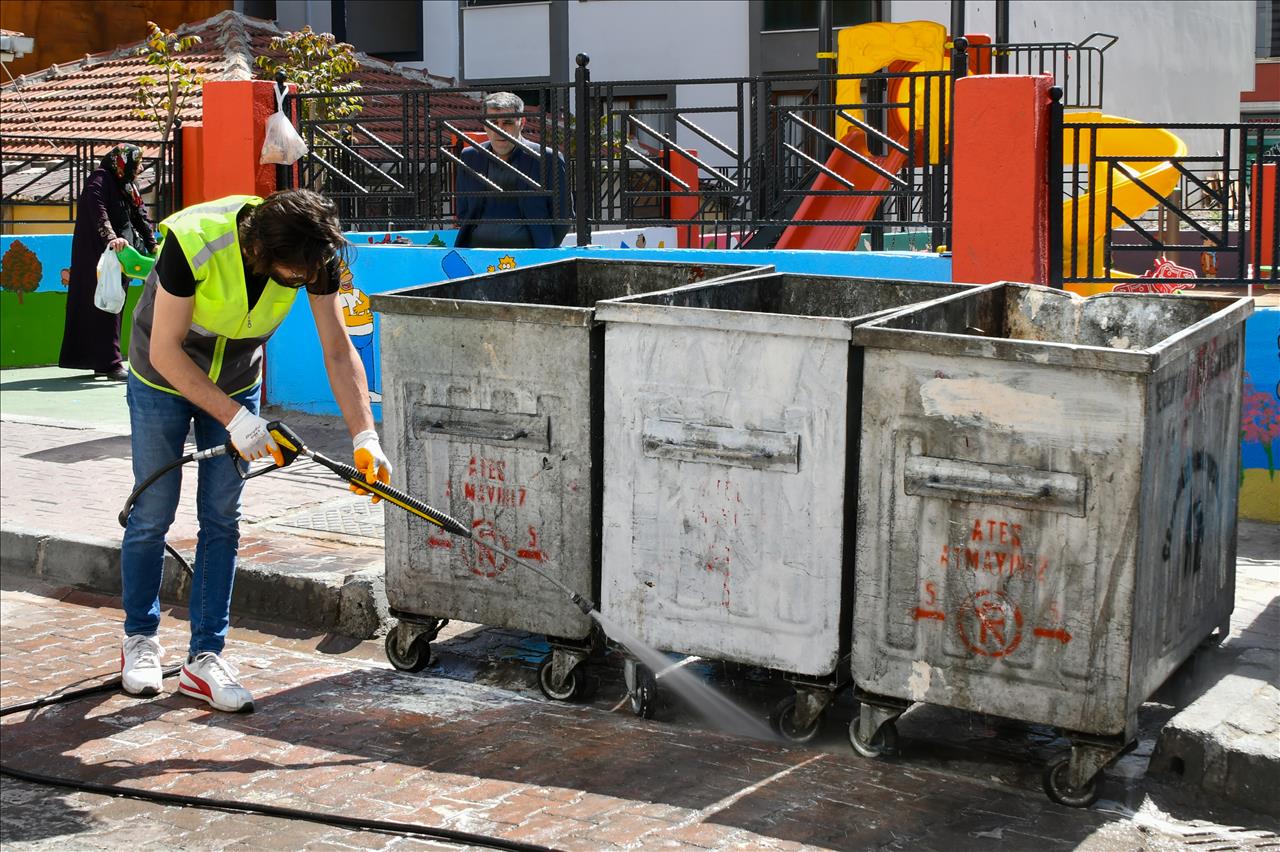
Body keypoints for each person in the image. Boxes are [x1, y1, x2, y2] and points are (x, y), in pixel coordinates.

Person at [119, 189, 392, 713]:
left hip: (238, 377)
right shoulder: (193, 241)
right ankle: (140, 638)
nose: (301, 281)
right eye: (293, 274)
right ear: (259, 253)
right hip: (163, 378)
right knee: (154, 511)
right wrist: (237, 419)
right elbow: (164, 350)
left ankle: (205, 658)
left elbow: (337, 348)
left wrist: (365, 437)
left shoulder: (314, 255)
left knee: (222, 517)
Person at [59, 144, 157, 380]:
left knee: (113, 302)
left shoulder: (127, 186)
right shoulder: (100, 180)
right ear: (122, 162)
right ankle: (110, 363)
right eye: (136, 163)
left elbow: (139, 216)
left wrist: (152, 243)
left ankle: (104, 361)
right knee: (104, 305)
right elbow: (98, 209)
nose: (140, 168)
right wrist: (112, 238)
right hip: (98, 255)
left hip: (120, 256)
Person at [454, 91, 572, 249]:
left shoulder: (549, 160)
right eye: (493, 122)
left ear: (522, 122)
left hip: (530, 259)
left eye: (507, 122)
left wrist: (544, 248)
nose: (500, 129)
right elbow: (463, 211)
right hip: (477, 257)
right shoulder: (470, 157)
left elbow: (563, 216)